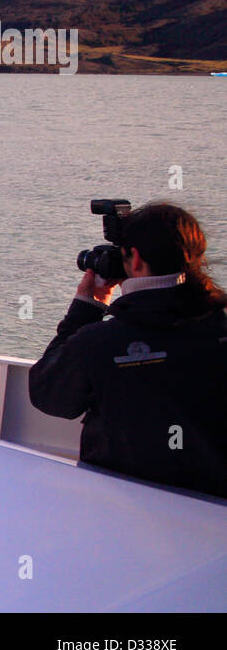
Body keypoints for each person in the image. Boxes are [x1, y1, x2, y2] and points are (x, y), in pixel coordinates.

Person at [29, 202, 227, 498]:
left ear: (135, 260)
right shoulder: (218, 327)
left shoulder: (99, 343)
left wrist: (86, 309)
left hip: (121, 510)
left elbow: (50, 397)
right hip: (213, 513)